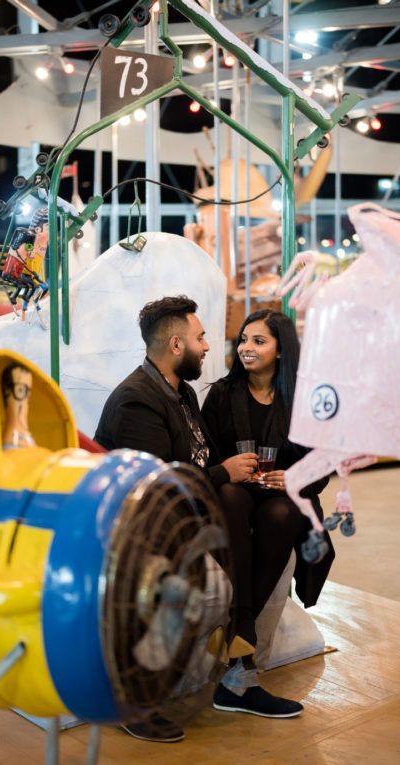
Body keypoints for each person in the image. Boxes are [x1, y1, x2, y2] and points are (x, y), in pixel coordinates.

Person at [94, 295, 258, 744]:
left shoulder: (181, 391)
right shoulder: (137, 401)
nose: (208, 346)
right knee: (207, 592)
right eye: (200, 337)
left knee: (271, 519)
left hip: (186, 523)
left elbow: (200, 460)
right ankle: (132, 696)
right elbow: (158, 492)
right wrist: (225, 473)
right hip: (140, 533)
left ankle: (239, 666)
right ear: (174, 343)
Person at [200, 308, 331, 719]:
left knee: (282, 514)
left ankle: (240, 627)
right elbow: (207, 456)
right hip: (234, 496)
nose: (246, 348)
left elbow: (321, 464)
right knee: (232, 497)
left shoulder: (302, 399)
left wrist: (293, 478)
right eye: (243, 340)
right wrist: (232, 471)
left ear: (280, 350)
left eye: (259, 341)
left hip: (279, 498)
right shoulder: (221, 394)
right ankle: (243, 637)